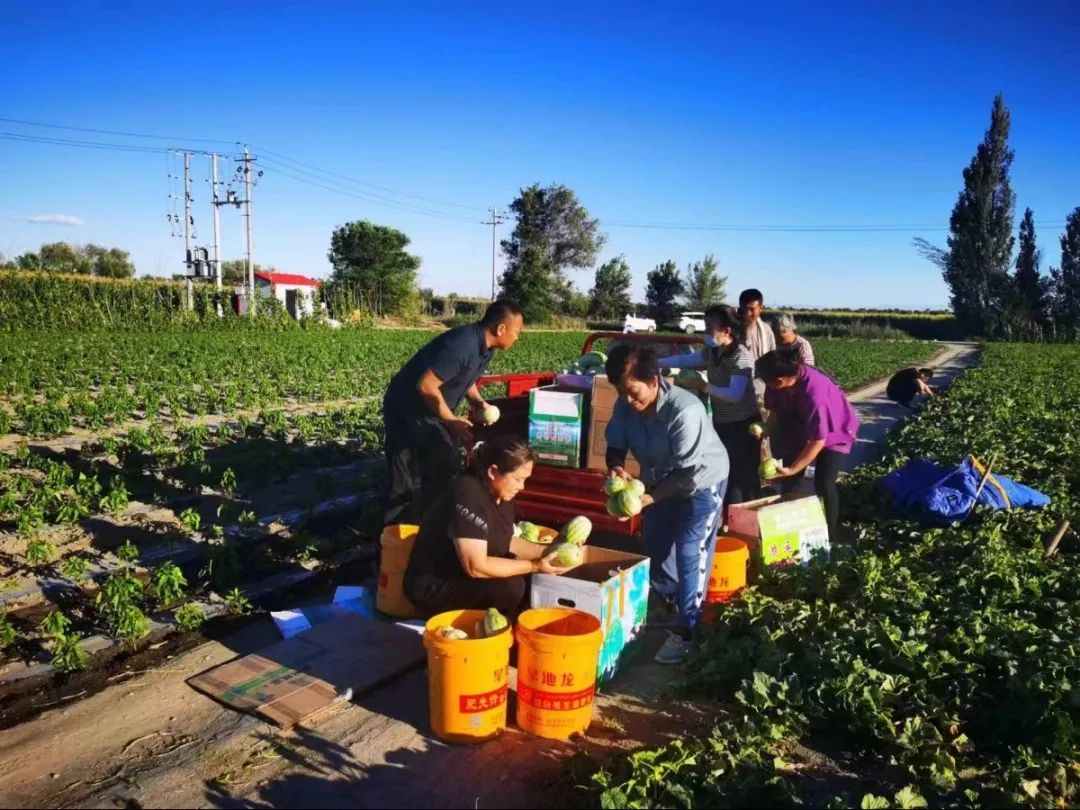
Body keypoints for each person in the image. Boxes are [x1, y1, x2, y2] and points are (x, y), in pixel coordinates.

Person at [604, 345, 730, 665]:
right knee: (656, 544)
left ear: (654, 379)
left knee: (690, 550)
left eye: (633, 392)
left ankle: (688, 630)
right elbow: (615, 444)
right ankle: (670, 601)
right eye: (622, 393)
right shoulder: (624, 406)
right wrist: (616, 466)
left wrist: (648, 497)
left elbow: (687, 474)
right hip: (659, 482)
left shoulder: (684, 411)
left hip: (702, 483)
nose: (629, 400)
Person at [383, 300, 524, 524]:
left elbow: (464, 379)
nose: (518, 337)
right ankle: (394, 539)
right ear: (501, 329)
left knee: (440, 470)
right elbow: (426, 386)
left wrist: (478, 402)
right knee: (403, 479)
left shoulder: (485, 349)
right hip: (406, 408)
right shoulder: (463, 345)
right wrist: (451, 420)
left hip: (431, 410)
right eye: (517, 331)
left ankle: (427, 530)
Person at [403, 435, 576, 618]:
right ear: (493, 471)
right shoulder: (467, 493)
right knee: (510, 586)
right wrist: (533, 566)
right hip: (434, 585)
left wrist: (553, 551)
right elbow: (476, 566)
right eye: (518, 479)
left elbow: (508, 542)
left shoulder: (503, 497)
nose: (522, 487)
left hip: (463, 577)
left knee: (528, 580)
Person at [657, 304, 761, 519]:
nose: (705, 331)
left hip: (743, 425)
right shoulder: (713, 351)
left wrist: (703, 386)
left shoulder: (740, 356)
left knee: (743, 477)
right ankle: (728, 519)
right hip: (723, 423)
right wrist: (656, 362)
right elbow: (687, 360)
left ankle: (745, 521)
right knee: (726, 471)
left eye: (709, 327)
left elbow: (735, 394)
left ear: (727, 331)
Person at [755, 347, 860, 543]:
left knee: (824, 484)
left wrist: (793, 468)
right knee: (790, 483)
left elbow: (818, 440)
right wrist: (768, 428)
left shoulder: (814, 392)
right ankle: (792, 531)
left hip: (834, 430)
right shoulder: (779, 381)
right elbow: (775, 410)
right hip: (801, 425)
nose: (764, 385)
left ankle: (831, 536)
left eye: (765, 381)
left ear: (780, 381)